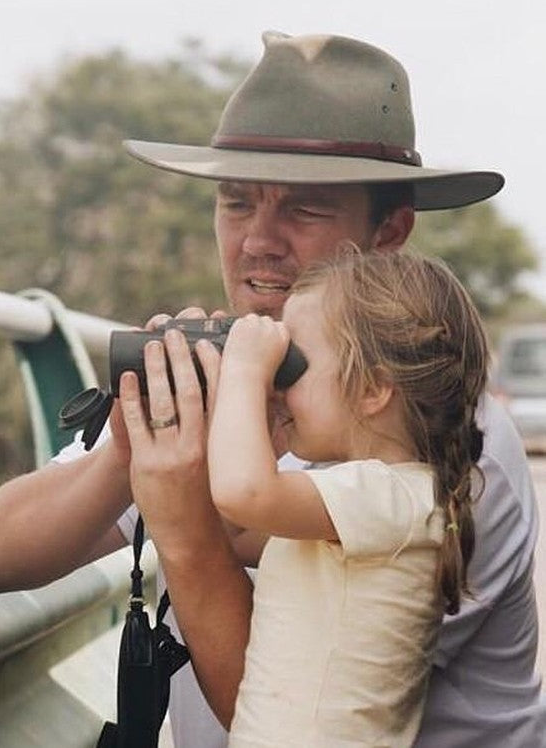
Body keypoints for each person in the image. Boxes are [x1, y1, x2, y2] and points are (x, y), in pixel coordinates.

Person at [0, 32, 545, 746]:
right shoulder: (228, 377)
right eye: (236, 203)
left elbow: (283, 717)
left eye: (303, 210)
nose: (257, 240)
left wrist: (182, 518)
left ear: (389, 230)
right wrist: (138, 448)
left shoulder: (440, 433)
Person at [120, 249, 488, 746]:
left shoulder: (392, 496)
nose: (276, 386)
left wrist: (245, 374)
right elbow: (228, 529)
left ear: (373, 389)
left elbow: (241, 494)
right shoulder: (372, 504)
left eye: (290, 364)